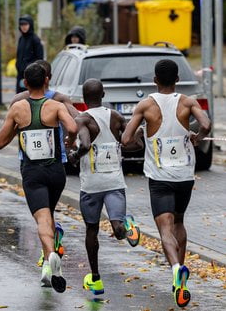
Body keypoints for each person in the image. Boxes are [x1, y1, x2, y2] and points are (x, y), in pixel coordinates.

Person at [122, 59, 211, 308]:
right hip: (184, 176)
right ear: (177, 80)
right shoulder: (188, 102)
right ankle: (180, 281)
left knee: (165, 229)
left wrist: (141, 135)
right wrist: (198, 137)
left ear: (155, 80)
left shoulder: (146, 105)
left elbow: (126, 139)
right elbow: (205, 124)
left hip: (159, 178)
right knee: (180, 221)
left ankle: (175, 269)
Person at [0, 62, 78, 293]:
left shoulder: (17, 108)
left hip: (33, 172)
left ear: (24, 82)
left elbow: (0, 143)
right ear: (46, 81)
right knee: (49, 215)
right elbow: (72, 127)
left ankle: (51, 255)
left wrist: (18, 128)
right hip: (56, 171)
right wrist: (69, 142)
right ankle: (47, 268)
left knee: (42, 219)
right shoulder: (55, 106)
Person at [68, 78, 143, 296]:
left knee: (92, 229)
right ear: (103, 95)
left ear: (83, 98)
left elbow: (85, 144)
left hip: (91, 185)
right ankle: (126, 227)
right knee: (116, 227)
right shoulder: (116, 116)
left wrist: (74, 155)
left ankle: (96, 279)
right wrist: (139, 136)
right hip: (114, 182)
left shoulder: (82, 119)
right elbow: (130, 144)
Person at [16, 15, 44, 94]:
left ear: (30, 25)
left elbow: (39, 59)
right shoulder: (21, 39)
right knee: (19, 99)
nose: (23, 27)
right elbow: (19, 56)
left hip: (31, 76)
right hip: (21, 75)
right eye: (22, 25)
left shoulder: (35, 40)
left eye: (26, 24)